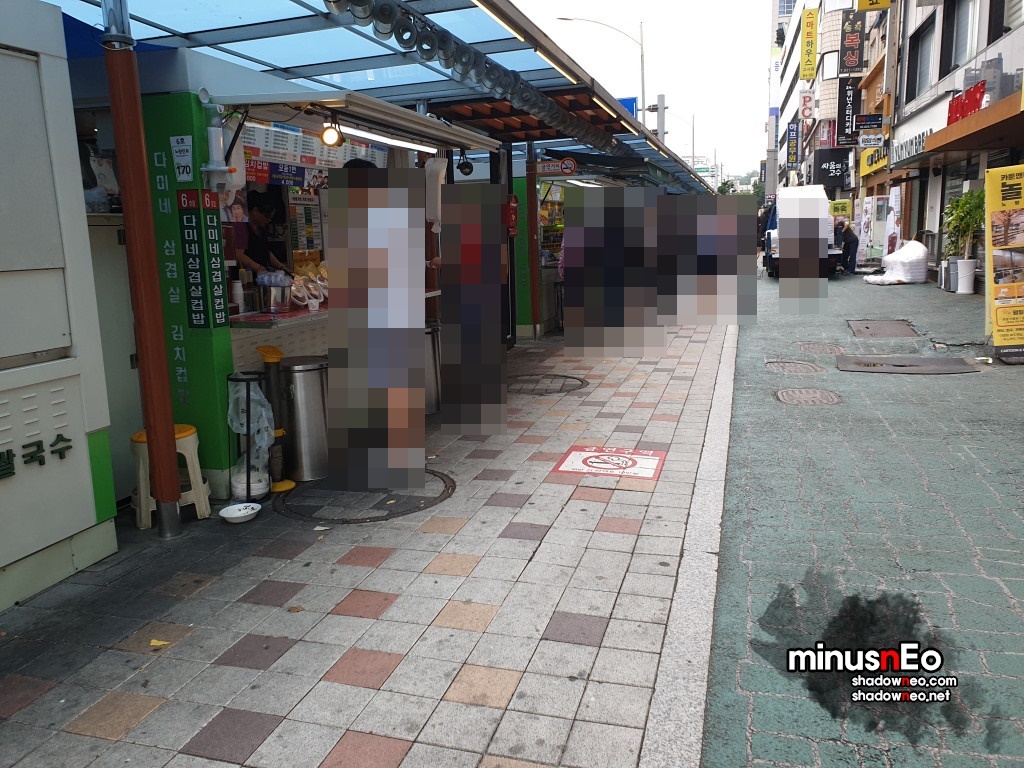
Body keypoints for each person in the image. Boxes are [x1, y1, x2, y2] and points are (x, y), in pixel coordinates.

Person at [235, 191, 292, 275]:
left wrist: (281, 267)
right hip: (248, 277)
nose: (269, 220)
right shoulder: (241, 227)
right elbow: (239, 255)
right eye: (267, 216)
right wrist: (260, 269)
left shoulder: (261, 228)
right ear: (255, 211)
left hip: (262, 276)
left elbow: (265, 251)